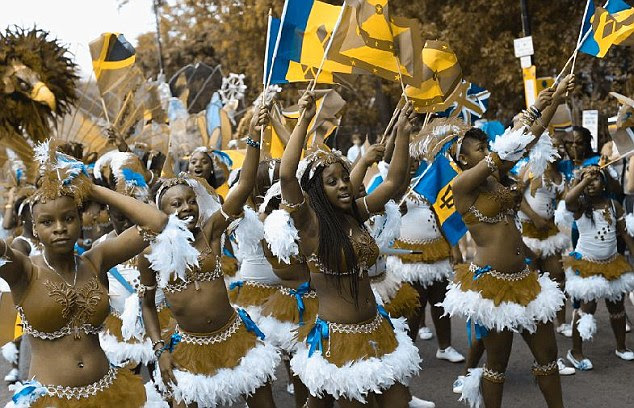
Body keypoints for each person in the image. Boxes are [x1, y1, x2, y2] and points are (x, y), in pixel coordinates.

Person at [441, 76, 575, 408]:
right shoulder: (461, 186)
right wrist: (533, 108)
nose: (487, 151)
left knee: (548, 356)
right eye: (480, 149)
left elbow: (528, 140)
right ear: (463, 160)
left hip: (524, 280)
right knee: (497, 364)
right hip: (492, 285)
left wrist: (554, 101)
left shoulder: (494, 177)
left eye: (486, 147)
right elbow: (504, 153)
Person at [3, 143, 170, 407]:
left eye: (68, 218)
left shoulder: (96, 260)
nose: (59, 228)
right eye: (47, 222)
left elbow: (157, 222)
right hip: (52, 401)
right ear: (35, 229)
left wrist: (91, 189)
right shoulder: (24, 270)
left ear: (80, 221)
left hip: (110, 393)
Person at [281, 93, 421, 407]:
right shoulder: (310, 226)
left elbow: (394, 182)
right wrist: (304, 120)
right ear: (318, 190)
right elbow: (287, 176)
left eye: (345, 178)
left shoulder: (355, 213)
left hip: (377, 329)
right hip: (340, 339)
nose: (344, 184)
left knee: (399, 402)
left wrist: (403, 132)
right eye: (332, 182)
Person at [140, 108, 280, 408]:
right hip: (188, 348)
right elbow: (147, 305)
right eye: (176, 204)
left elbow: (243, 187)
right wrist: (159, 349)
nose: (187, 208)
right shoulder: (150, 254)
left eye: (191, 201)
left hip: (235, 336)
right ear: (161, 213)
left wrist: (252, 137)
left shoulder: (210, 232)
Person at [563, 166, 634, 370]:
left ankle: (621, 347)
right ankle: (575, 352)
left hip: (612, 263)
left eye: (595, 179)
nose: (590, 183)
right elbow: (568, 200)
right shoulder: (580, 205)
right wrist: (584, 180)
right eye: (587, 180)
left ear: (604, 184)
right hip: (587, 264)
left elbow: (624, 234)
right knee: (587, 307)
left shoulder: (613, 205)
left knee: (617, 305)